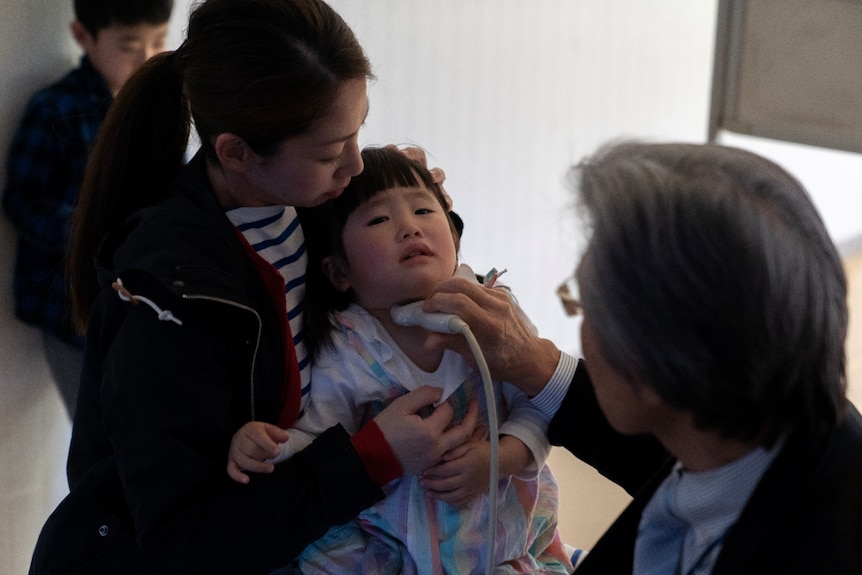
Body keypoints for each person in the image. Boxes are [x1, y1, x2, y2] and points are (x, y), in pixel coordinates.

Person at [28, 1, 479, 573]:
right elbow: (184, 541)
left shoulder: (296, 204)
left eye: (357, 130)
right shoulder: (170, 302)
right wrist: (370, 460)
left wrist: (426, 210)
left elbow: (373, 271)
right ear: (236, 152)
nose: (355, 165)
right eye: (328, 151)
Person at [419, 141, 862, 574]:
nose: (583, 332)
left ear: (656, 366)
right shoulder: (743, 436)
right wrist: (535, 364)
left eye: (588, 307)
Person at [227, 146, 574, 574]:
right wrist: (270, 446)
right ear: (339, 273)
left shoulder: (491, 311)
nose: (410, 228)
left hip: (500, 537)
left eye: (425, 211)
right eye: (378, 219)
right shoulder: (349, 346)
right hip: (392, 543)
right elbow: (322, 437)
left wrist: (501, 457)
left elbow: (541, 407)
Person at [2, 0, 174, 417]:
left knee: (136, 420)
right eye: (130, 45)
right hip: (70, 307)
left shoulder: (159, 107)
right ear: (82, 36)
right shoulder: (55, 109)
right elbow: (21, 199)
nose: (148, 58)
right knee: (93, 429)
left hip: (135, 301)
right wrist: (90, 233)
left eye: (159, 42)